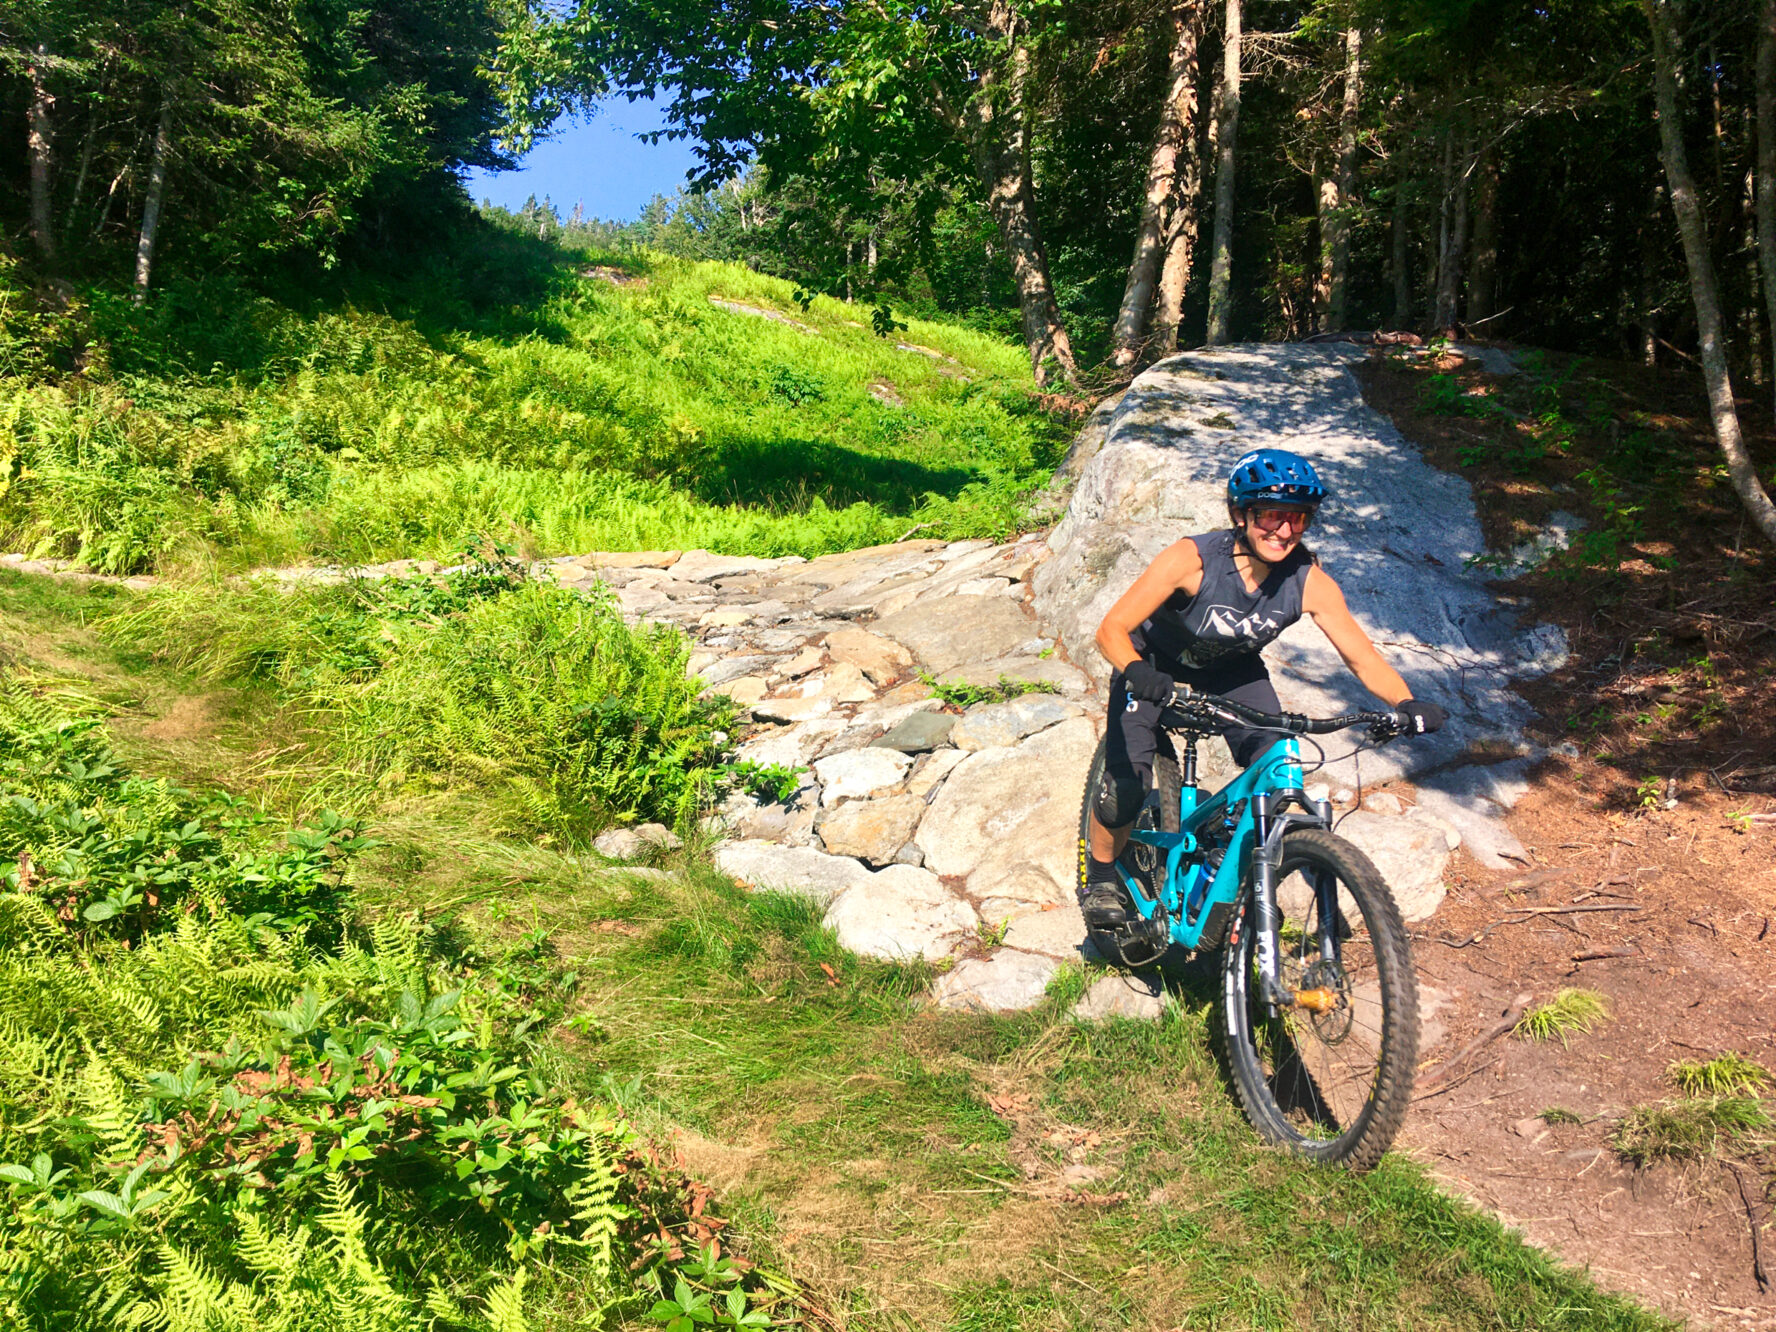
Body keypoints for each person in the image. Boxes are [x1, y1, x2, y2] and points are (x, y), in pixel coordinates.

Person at [1079, 447, 1447, 928]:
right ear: (1241, 514)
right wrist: (1137, 671)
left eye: (1298, 518)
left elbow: (1361, 657)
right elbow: (1111, 629)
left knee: (1278, 766)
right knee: (1125, 787)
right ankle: (1101, 877)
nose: (1284, 529)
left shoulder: (1309, 583)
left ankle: (1220, 866)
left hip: (1232, 671)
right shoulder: (1191, 560)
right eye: (1271, 514)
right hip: (1152, 663)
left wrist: (1405, 701)